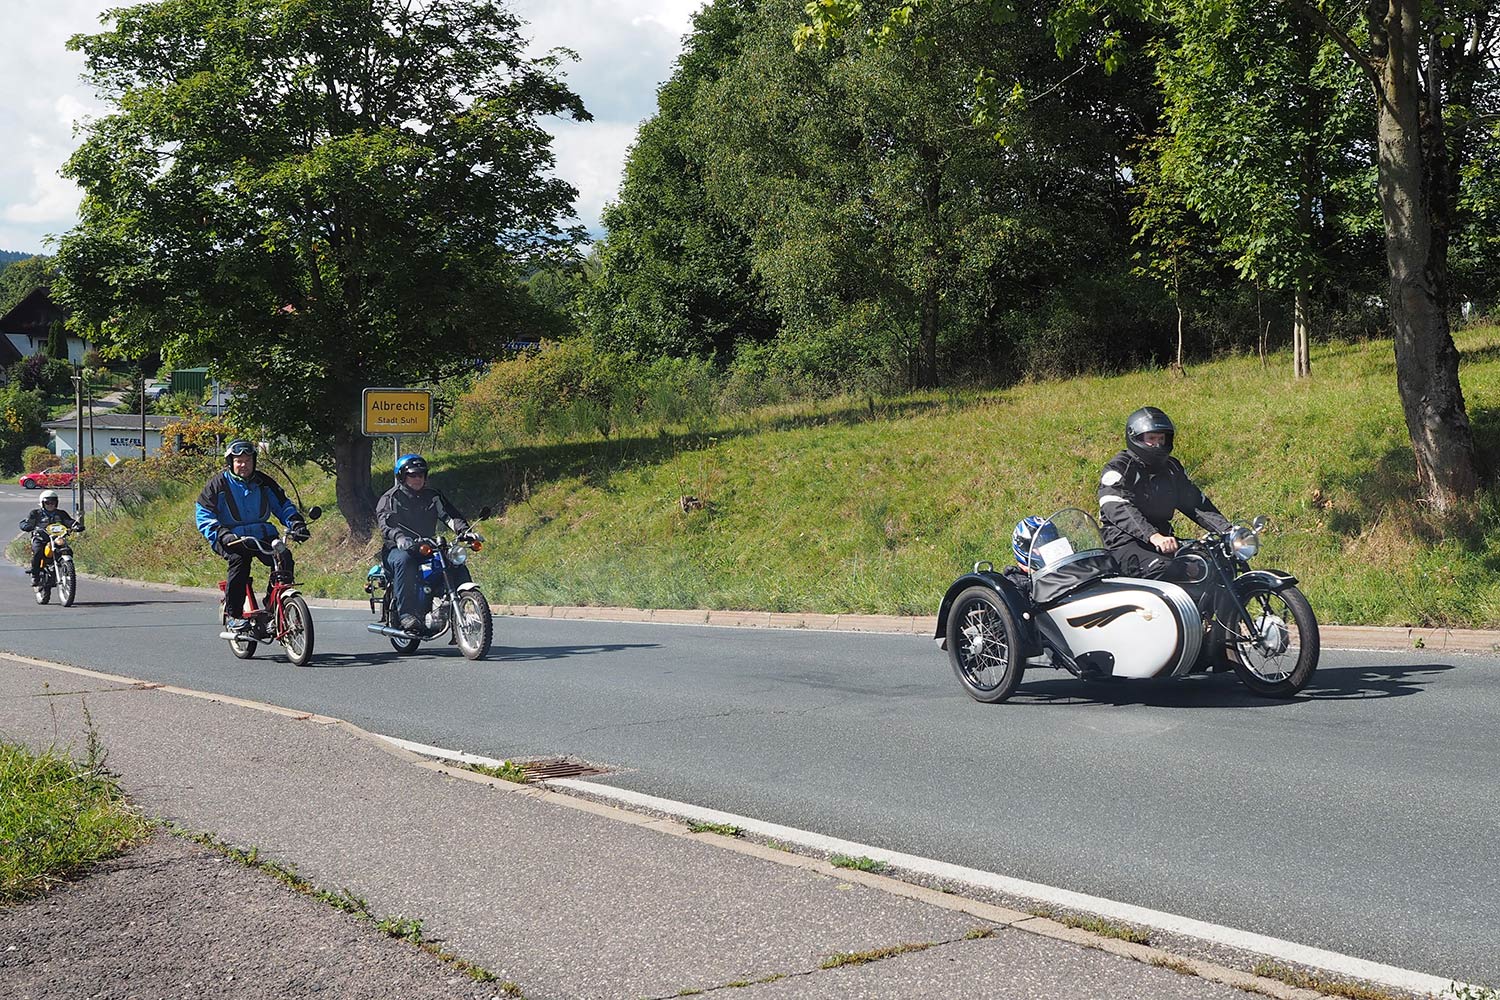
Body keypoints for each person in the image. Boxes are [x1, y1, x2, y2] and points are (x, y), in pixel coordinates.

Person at [1097, 406, 1230, 577]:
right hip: (1125, 544)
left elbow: (1195, 503)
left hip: (1164, 540)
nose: (1157, 444)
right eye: (1151, 438)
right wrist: (1153, 536)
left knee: (1213, 565)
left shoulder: (1171, 468)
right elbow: (1118, 507)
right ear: (1135, 437)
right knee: (1166, 569)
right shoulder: (1119, 467)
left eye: (1161, 438)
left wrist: (1228, 531)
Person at [195, 439, 308, 631]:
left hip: (262, 535)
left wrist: (296, 523)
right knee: (239, 560)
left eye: (247, 460)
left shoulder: (263, 482)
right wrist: (222, 534)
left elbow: (283, 505)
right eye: (239, 460)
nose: (243, 465)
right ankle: (234, 614)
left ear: (254, 461)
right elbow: (203, 515)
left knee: (284, 557)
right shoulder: (217, 485)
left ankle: (273, 606)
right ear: (230, 462)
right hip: (230, 537)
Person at [376, 454, 474, 632]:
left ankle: (463, 605)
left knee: (455, 561)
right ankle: (406, 614)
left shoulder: (433, 495)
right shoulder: (391, 497)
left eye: (421, 475)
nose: (417, 479)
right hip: (397, 548)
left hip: (427, 546)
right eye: (412, 475)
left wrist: (465, 532)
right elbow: (386, 522)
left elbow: (450, 515)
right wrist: (399, 537)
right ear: (402, 477)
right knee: (404, 561)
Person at [20, 490, 82, 592]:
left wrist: (76, 526)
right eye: (47, 502)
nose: (50, 505)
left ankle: (66, 568)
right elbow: (26, 522)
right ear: (42, 503)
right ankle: (35, 575)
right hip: (40, 538)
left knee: (68, 550)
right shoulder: (36, 513)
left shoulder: (61, 514)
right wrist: (27, 526)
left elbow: (69, 521)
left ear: (56, 503)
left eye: (53, 502)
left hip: (56, 538)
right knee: (37, 552)